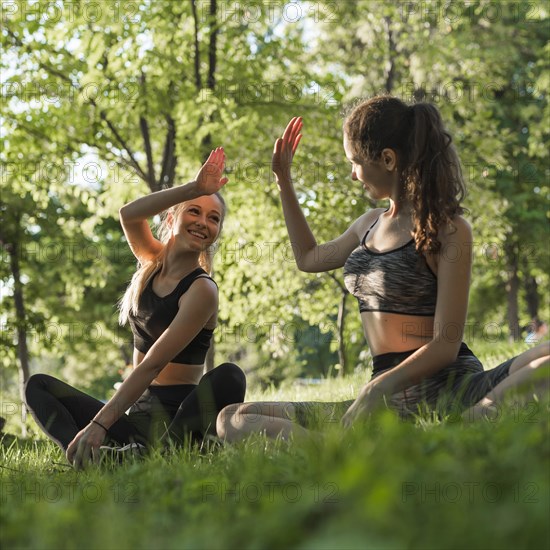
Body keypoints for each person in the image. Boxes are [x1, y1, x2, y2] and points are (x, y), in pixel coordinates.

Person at [217, 97, 549, 441]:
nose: (352, 174)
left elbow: (446, 344)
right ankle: (334, 447)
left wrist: (374, 390)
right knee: (231, 417)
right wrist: (284, 181)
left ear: (387, 159)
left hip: (456, 390)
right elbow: (309, 258)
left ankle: (458, 428)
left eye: (355, 162)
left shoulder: (448, 229)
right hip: (386, 405)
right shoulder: (368, 224)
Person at [25, 147, 246, 468]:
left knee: (229, 376)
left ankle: (154, 457)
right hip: (138, 418)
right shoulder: (151, 263)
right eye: (194, 211)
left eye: (214, 219)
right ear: (172, 218)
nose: (203, 222)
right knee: (39, 385)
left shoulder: (202, 289)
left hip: (180, 420)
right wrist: (194, 188)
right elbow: (129, 214)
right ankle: (84, 457)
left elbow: (152, 365)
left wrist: (100, 424)